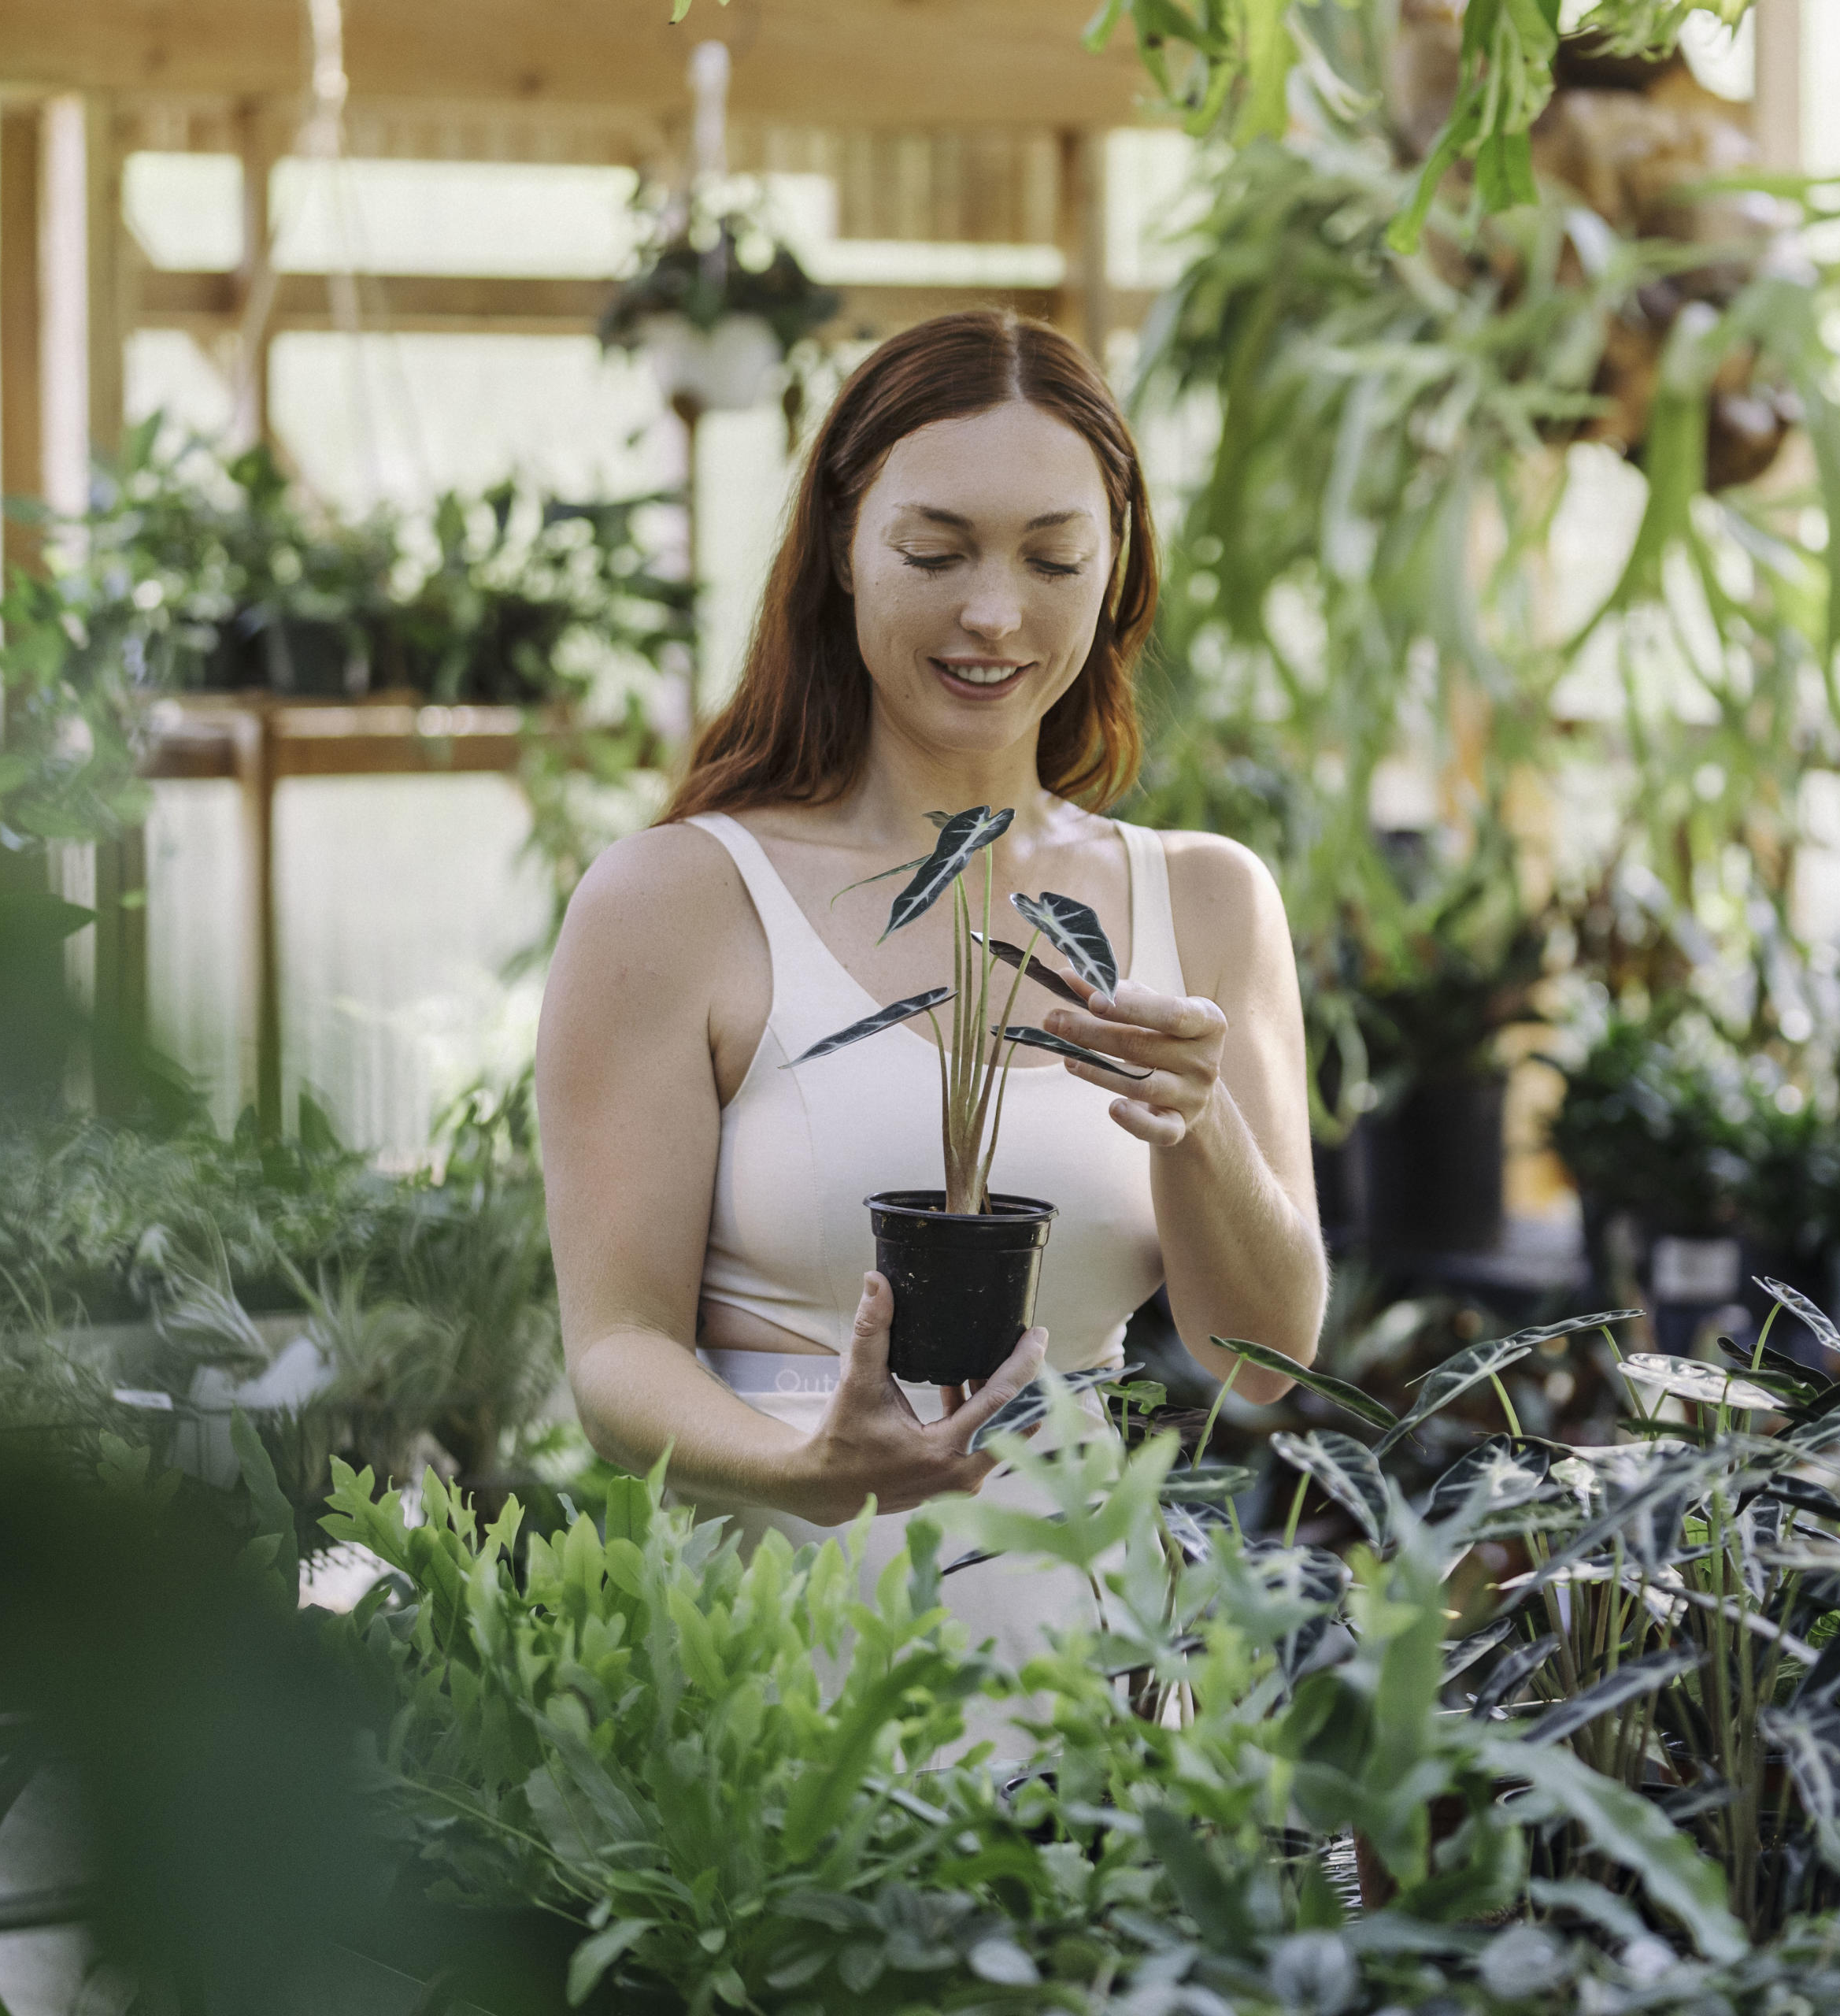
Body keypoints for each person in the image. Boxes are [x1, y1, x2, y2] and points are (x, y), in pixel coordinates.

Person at [534, 310, 1327, 1635]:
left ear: (1117, 568)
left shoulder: (1203, 900)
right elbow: (616, 1352)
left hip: (1095, 1672)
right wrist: (808, 1468)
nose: (994, 613)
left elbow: (1266, 1361)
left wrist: (1202, 1123)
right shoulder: (677, 900)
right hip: (779, 1656)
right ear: (843, 548)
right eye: (935, 551)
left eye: (1054, 557)